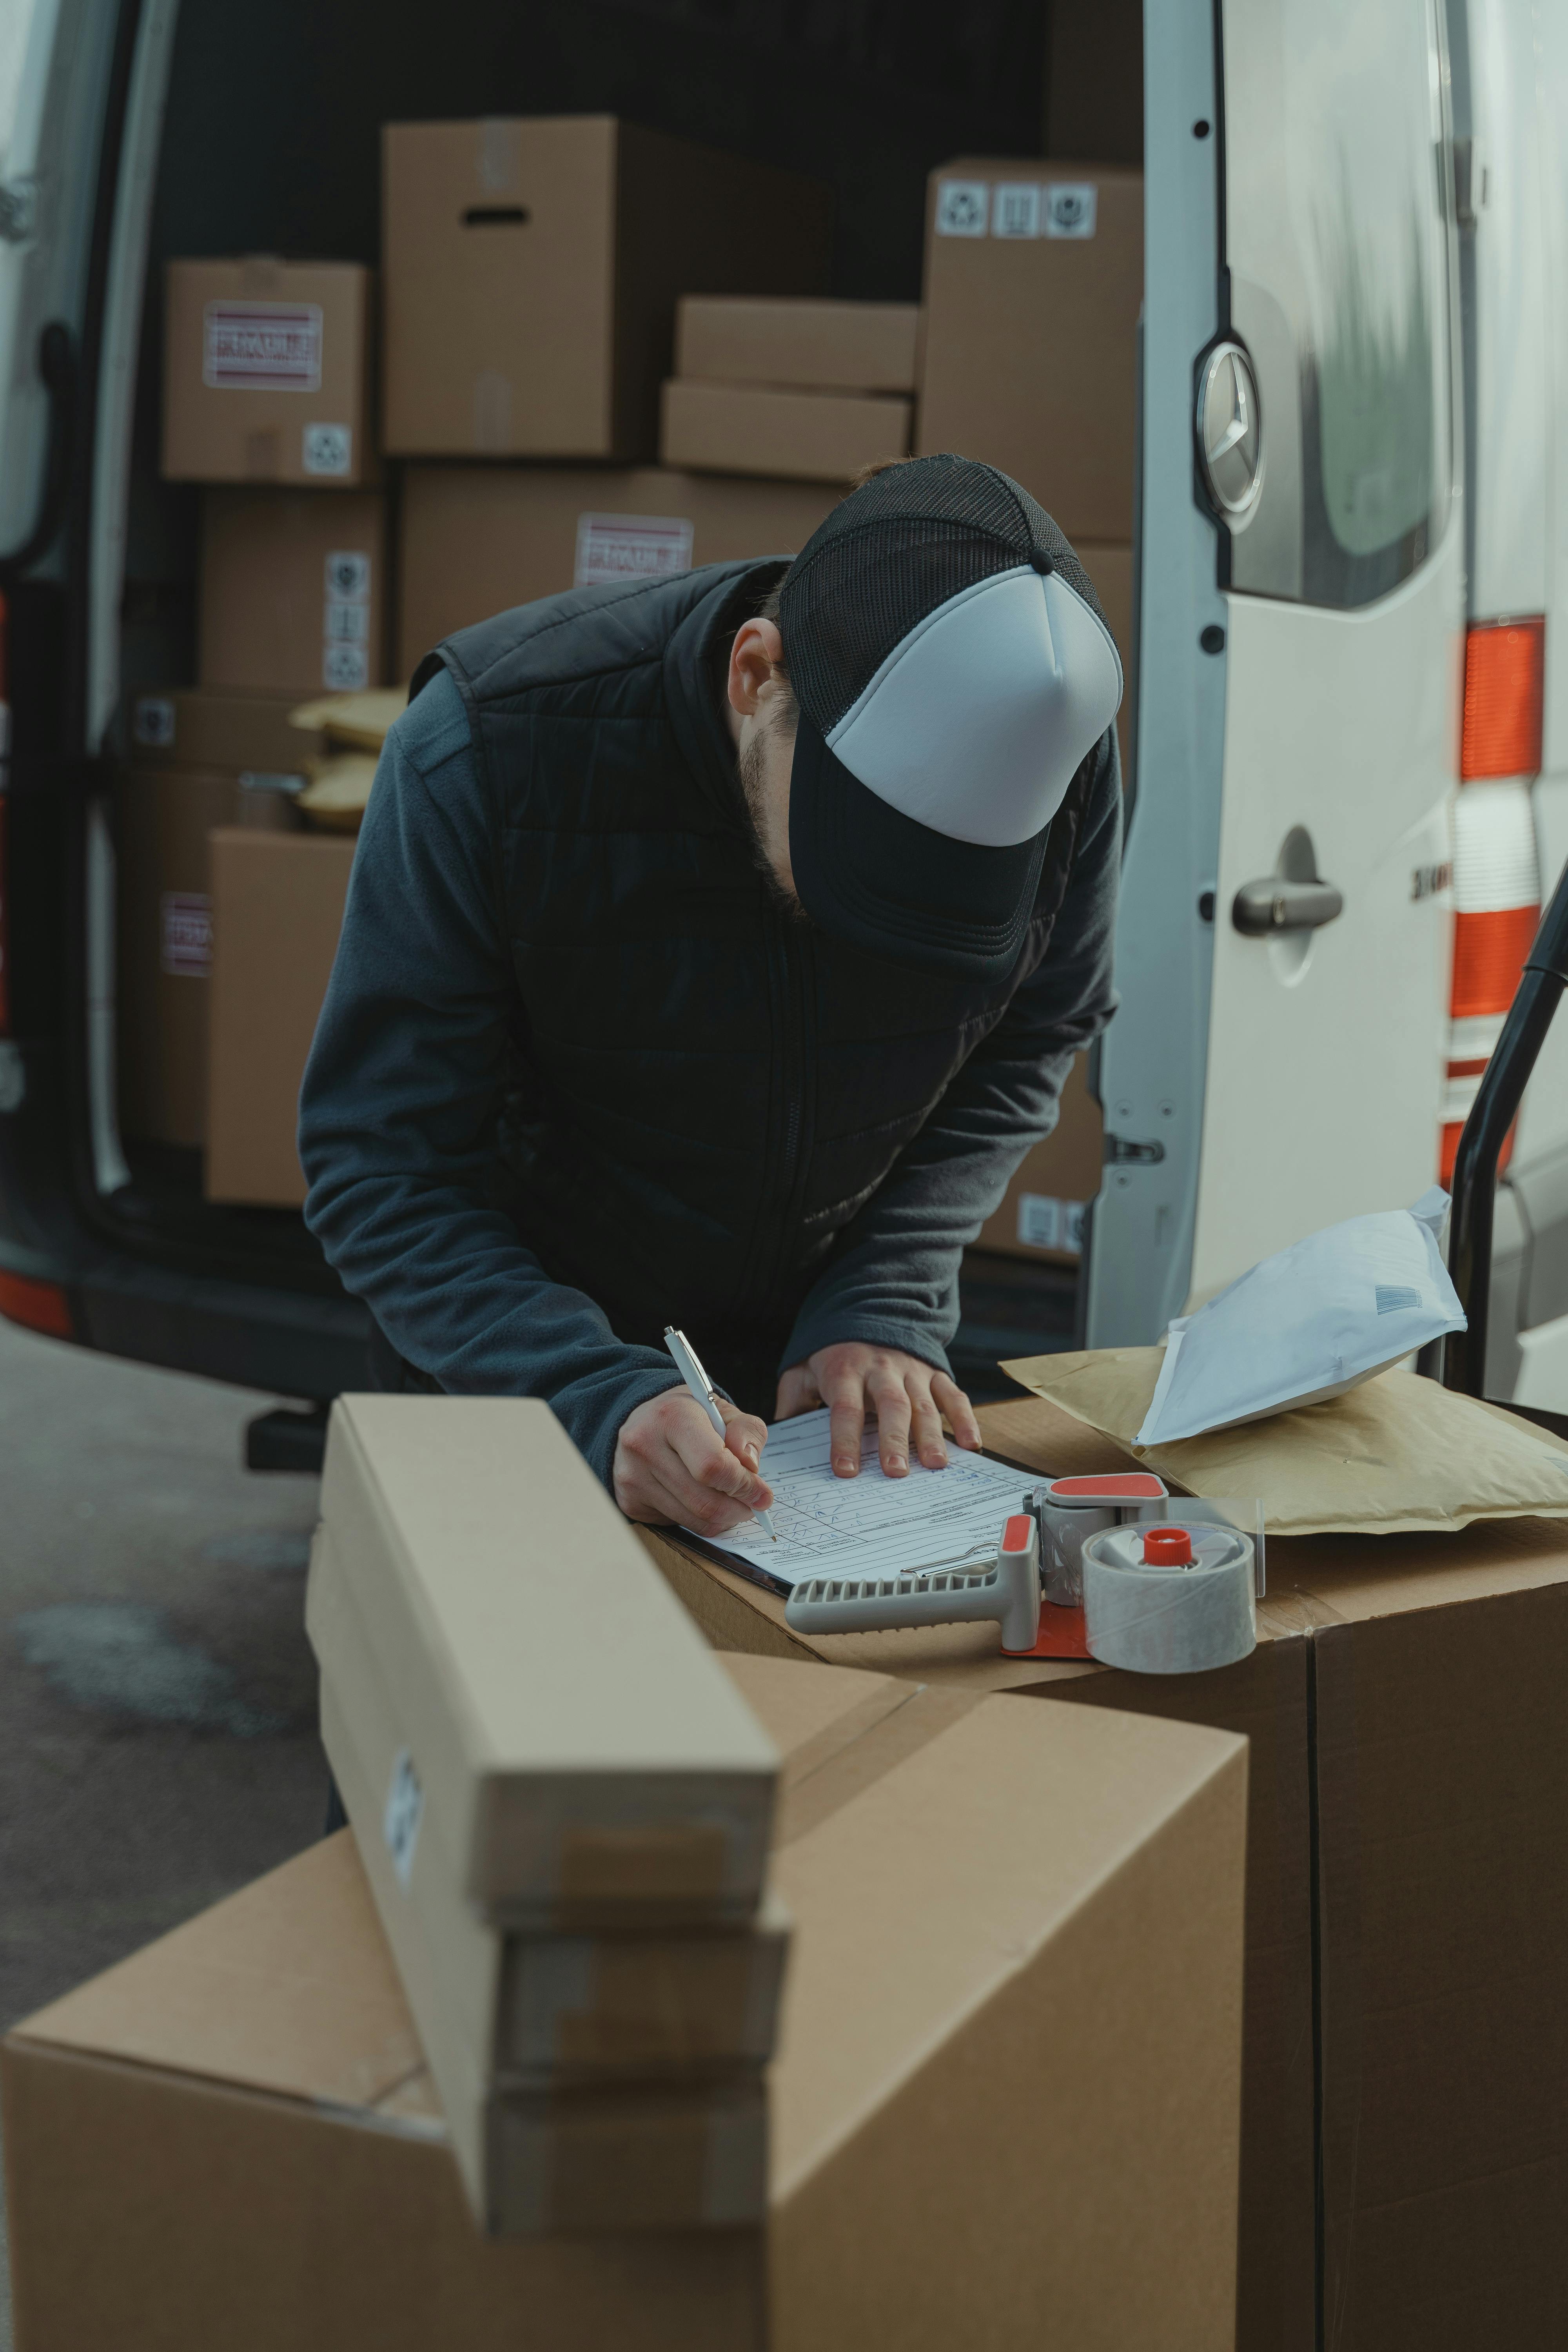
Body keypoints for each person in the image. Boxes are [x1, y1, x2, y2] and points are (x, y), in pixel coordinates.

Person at [298, 454, 1123, 1543]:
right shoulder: (486, 753)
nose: (870, 936)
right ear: (755, 677)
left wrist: (886, 1297)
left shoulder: (1051, 757)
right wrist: (590, 1391)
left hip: (826, 1402)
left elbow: (1034, 1032)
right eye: (856, 864)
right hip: (518, 1379)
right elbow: (382, 1166)